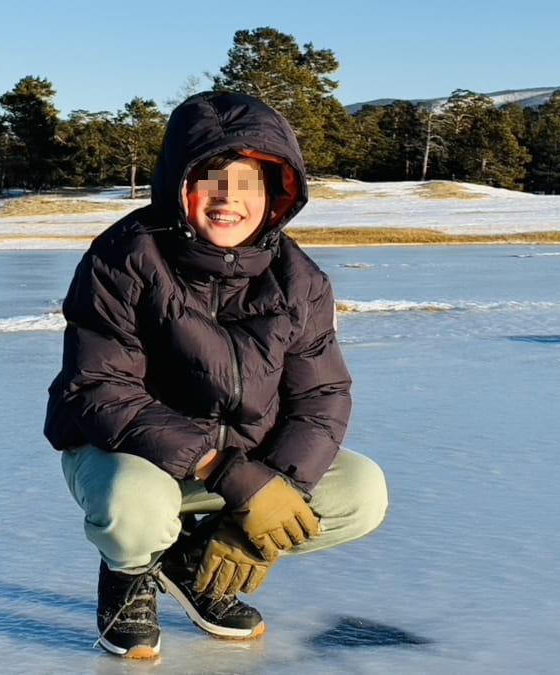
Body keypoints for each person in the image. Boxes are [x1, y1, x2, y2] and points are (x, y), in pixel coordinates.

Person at [44, 91, 388, 659]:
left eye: (249, 184)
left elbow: (321, 396)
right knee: (135, 504)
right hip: (127, 453)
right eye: (212, 180)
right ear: (180, 186)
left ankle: (195, 563)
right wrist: (229, 474)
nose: (230, 198)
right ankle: (130, 574)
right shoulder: (123, 258)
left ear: (277, 195)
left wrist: (264, 507)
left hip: (245, 461)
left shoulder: (301, 280)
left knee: (360, 492)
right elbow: (100, 390)